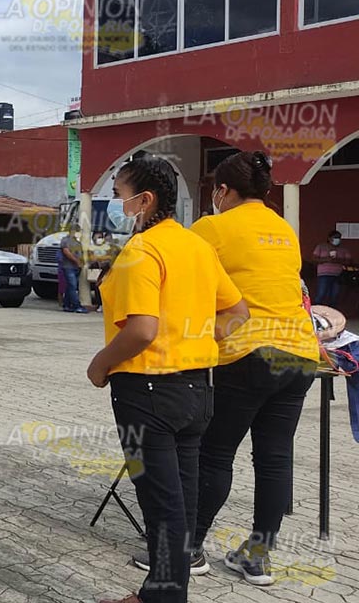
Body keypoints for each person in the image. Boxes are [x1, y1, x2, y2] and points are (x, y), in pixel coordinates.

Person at [87, 156, 249, 603]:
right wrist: (197, 337)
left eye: (120, 196)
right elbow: (237, 312)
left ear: (146, 199)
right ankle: (164, 592)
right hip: (197, 388)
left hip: (146, 392)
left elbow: (141, 330)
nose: (119, 206)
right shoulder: (197, 246)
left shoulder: (142, 250)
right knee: (182, 500)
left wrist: (100, 365)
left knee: (162, 505)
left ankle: (163, 596)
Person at [177, 151, 319, 586]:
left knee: (215, 452)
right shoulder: (285, 229)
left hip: (247, 353)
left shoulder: (211, 227)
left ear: (222, 191)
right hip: (299, 354)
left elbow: (188, 287)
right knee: (274, 459)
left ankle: (190, 549)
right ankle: (257, 556)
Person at [313, 229, 352, 307]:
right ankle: (316, 311)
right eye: (335, 237)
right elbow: (314, 259)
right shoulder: (321, 246)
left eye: (339, 238)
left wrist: (337, 260)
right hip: (323, 274)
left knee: (334, 295)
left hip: (338, 275)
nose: (337, 239)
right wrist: (327, 259)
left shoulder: (343, 249)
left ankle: (332, 313)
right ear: (329, 238)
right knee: (321, 294)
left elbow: (349, 261)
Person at [60, 226, 88, 313]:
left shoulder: (78, 242)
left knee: (70, 287)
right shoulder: (65, 240)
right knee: (73, 286)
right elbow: (66, 251)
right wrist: (76, 261)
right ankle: (77, 305)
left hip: (76, 268)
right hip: (69, 267)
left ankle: (67, 305)